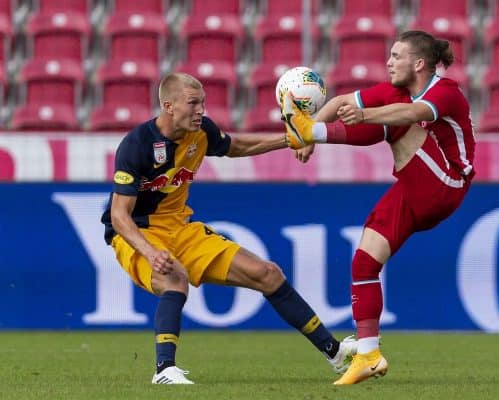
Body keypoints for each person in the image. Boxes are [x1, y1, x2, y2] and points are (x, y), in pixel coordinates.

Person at [100, 72, 357, 385]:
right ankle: (164, 370)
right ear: (168, 106)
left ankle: (335, 353)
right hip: (138, 234)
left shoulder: (201, 132)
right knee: (175, 278)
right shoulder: (136, 145)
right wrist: (152, 253)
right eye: (193, 103)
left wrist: (288, 139)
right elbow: (119, 216)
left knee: (268, 273)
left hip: (180, 227)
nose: (201, 111)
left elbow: (236, 147)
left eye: (203, 103)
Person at [282, 30, 475, 385]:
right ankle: (369, 354)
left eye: (395, 56)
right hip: (414, 187)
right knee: (365, 260)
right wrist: (310, 135)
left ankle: (319, 131)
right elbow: (342, 100)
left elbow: (410, 112)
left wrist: (358, 119)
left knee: (395, 123)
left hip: (447, 182)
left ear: (418, 63)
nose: (388, 62)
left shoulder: (445, 91)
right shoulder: (395, 91)